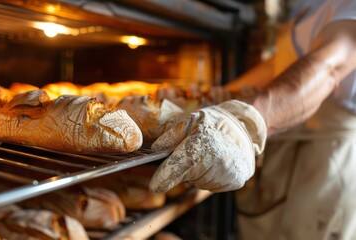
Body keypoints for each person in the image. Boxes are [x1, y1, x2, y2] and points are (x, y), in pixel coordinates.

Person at [149, 0, 356, 239]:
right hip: (288, 151)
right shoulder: (314, 4)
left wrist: (245, 122)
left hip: (323, 164)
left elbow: (331, 66)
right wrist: (218, 100)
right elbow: (278, 67)